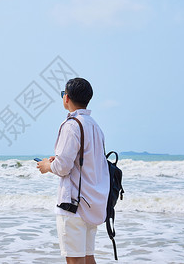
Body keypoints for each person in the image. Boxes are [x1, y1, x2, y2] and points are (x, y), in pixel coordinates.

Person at [37, 77, 110, 264]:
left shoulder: (71, 125)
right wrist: (58, 161)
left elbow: (63, 168)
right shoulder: (95, 125)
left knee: (75, 260)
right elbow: (90, 163)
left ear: (66, 98)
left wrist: (47, 166)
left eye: (63, 94)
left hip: (73, 205)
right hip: (92, 202)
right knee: (88, 257)